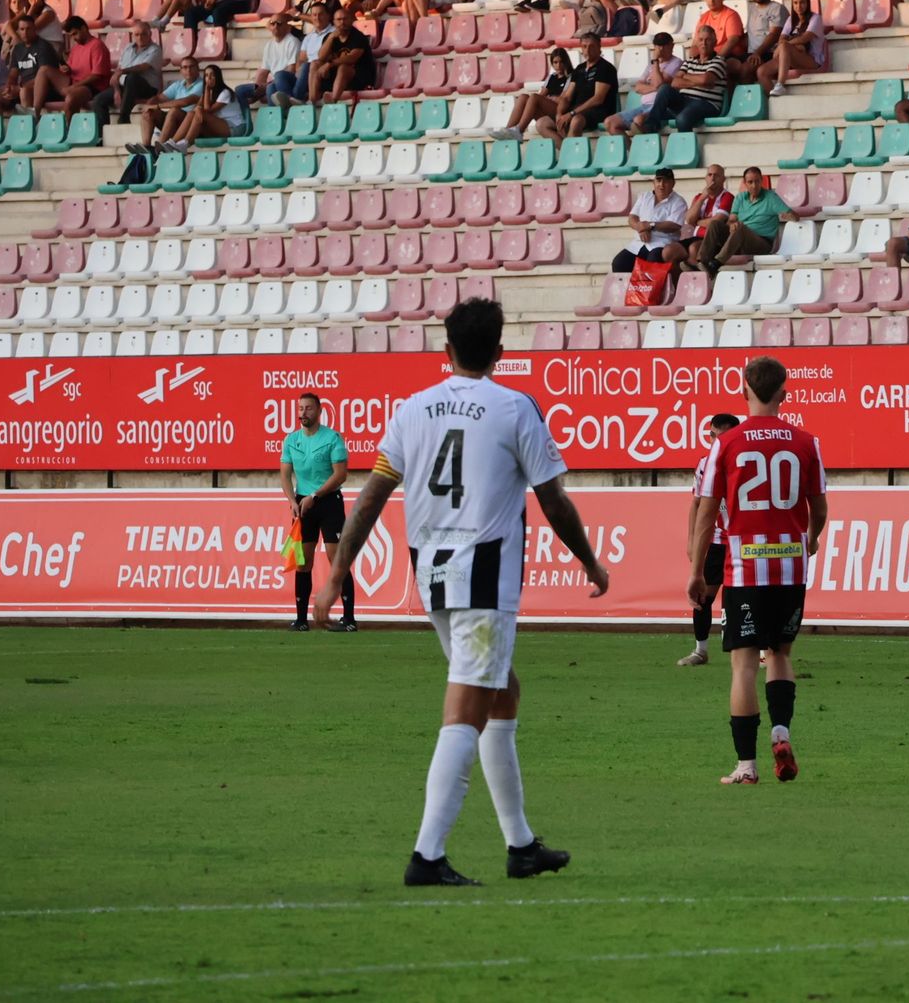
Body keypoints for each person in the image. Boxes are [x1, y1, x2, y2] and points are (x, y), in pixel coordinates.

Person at [317, 298, 609, 886]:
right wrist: (590, 561)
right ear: (501, 352)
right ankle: (427, 855)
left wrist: (335, 574)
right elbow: (553, 500)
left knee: (503, 693)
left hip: (431, 572)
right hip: (483, 572)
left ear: (446, 352)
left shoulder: (411, 409)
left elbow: (371, 497)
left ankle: (521, 845)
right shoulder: (514, 407)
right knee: (468, 709)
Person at [690, 356, 826, 786]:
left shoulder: (726, 444)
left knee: (744, 665)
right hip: (790, 568)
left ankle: (746, 767)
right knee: (781, 655)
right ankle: (781, 733)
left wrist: (696, 570)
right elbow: (819, 507)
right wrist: (810, 538)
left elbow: (707, 512)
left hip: (745, 570)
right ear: (784, 393)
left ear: (744, 391)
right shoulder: (806, 442)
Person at [280, 392, 356, 633]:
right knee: (303, 562)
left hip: (328, 502)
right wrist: (293, 500)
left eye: (308, 408)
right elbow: (284, 475)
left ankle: (349, 619)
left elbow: (340, 475)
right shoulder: (291, 440)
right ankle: (301, 619)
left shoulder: (332, 438)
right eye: (300, 408)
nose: (303, 413)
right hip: (303, 504)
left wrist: (316, 496)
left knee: (337, 561)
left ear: (319, 411)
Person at [677, 411, 740, 667]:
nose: (715, 442)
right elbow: (696, 504)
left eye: (721, 437)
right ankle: (700, 651)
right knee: (703, 596)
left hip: (742, 541)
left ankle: (760, 650)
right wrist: (692, 540)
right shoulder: (705, 463)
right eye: (712, 436)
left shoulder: (744, 462)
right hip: (715, 540)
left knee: (749, 599)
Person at [631, 25, 728, 133]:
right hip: (686, 101)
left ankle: (686, 148)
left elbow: (705, 79)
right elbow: (675, 82)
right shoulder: (689, 61)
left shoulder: (719, 61)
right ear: (696, 42)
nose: (704, 43)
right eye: (700, 40)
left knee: (682, 119)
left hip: (707, 103)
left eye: (708, 40)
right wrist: (698, 82)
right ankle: (651, 126)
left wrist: (685, 76)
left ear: (715, 42)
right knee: (664, 89)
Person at [695, 166, 790, 274]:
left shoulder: (771, 197)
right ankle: (702, 262)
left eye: (757, 181)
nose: (754, 186)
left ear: (761, 181)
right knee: (715, 224)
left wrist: (790, 215)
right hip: (740, 239)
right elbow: (731, 220)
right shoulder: (740, 198)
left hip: (762, 243)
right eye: (750, 182)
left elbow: (792, 214)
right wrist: (732, 224)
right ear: (745, 183)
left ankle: (716, 263)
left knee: (740, 227)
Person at [536, 34, 617, 142]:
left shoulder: (606, 68)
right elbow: (567, 97)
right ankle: (565, 151)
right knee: (541, 124)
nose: (587, 50)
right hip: (577, 110)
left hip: (599, 111)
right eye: (584, 46)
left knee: (576, 120)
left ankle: (569, 156)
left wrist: (572, 113)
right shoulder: (579, 69)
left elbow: (598, 99)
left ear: (599, 47)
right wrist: (559, 114)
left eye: (591, 46)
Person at [613, 167, 688, 272]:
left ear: (673, 183)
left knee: (651, 264)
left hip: (661, 244)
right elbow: (632, 218)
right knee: (619, 263)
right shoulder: (644, 196)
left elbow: (674, 225)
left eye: (666, 181)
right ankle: (628, 289)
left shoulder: (679, 201)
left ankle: (650, 289)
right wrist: (641, 228)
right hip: (638, 243)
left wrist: (651, 225)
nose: (661, 184)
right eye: (659, 180)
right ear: (654, 182)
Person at [605, 32, 680, 133]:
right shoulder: (651, 65)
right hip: (643, 106)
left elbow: (659, 83)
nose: (661, 48)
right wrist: (654, 87)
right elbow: (638, 87)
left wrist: (655, 61)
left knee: (638, 120)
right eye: (658, 45)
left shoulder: (676, 63)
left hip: (661, 107)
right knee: (610, 122)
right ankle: (631, 148)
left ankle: (644, 145)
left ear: (672, 45)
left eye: (664, 45)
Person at [493, 46, 572, 141]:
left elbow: (563, 99)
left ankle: (519, 131)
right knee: (523, 97)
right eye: (555, 62)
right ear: (552, 63)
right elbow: (542, 95)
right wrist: (550, 98)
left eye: (561, 62)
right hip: (549, 108)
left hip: (560, 111)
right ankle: (508, 130)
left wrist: (550, 98)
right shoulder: (552, 77)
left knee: (534, 97)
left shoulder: (570, 77)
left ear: (566, 62)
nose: (558, 65)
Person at [158, 63, 243, 151]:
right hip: (219, 125)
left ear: (218, 77)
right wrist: (199, 107)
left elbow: (207, 111)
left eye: (212, 75)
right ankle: (172, 143)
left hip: (234, 127)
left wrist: (206, 90)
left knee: (201, 114)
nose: (209, 78)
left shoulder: (225, 92)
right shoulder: (208, 94)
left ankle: (184, 144)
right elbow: (196, 108)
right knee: (192, 113)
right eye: (206, 75)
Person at [128, 56, 203, 155]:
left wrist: (157, 106)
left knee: (174, 110)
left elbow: (185, 102)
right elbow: (159, 98)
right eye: (184, 67)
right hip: (174, 122)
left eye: (191, 67)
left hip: (190, 124)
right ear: (180, 70)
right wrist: (149, 105)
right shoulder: (178, 85)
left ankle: (159, 147)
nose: (188, 70)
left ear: (197, 68)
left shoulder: (202, 84)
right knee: (149, 114)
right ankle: (147, 147)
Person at [665, 162, 732, 268]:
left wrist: (698, 221)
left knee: (693, 249)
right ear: (705, 178)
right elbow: (689, 219)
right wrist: (702, 198)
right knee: (669, 251)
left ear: (723, 179)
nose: (712, 178)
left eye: (716, 175)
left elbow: (716, 221)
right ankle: (678, 280)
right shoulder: (699, 197)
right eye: (710, 175)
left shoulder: (727, 197)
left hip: (713, 240)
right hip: (695, 237)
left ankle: (698, 278)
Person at [758, 0, 823, 97]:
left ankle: (780, 84)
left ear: (807, 3)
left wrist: (784, 46)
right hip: (791, 56)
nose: (798, 6)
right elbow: (781, 39)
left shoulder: (815, 18)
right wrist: (784, 45)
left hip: (812, 60)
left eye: (802, 2)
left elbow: (805, 37)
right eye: (795, 3)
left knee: (784, 47)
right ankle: (777, 102)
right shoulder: (791, 20)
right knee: (761, 72)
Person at [97, 23, 163, 125]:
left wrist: (123, 71)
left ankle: (123, 118)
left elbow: (142, 67)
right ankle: (102, 135)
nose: (140, 37)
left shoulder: (155, 49)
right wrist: (117, 91)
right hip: (126, 86)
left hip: (147, 88)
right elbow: (117, 73)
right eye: (137, 34)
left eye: (143, 34)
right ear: (133, 35)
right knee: (99, 99)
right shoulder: (128, 48)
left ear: (150, 35)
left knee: (132, 78)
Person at [308, 6, 374, 104]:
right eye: (339, 20)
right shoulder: (330, 36)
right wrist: (330, 38)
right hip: (337, 78)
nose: (342, 22)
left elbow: (351, 58)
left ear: (351, 20)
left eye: (345, 19)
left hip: (360, 77)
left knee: (343, 68)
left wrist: (329, 64)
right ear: (333, 22)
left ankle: (333, 101)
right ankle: (312, 101)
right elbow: (321, 57)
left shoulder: (358, 37)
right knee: (315, 64)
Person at [274, 3, 334, 109]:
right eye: (314, 15)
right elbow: (301, 59)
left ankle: (296, 101)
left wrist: (304, 69)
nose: (317, 18)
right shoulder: (309, 37)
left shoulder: (334, 33)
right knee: (278, 77)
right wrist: (299, 72)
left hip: (322, 74)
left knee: (308, 66)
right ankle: (289, 106)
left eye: (321, 14)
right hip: (305, 75)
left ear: (328, 16)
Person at [0, 15, 62, 116]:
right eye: (22, 29)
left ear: (35, 29)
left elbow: (43, 78)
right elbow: (12, 75)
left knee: (24, 91)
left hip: (44, 90)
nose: (25, 33)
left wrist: (19, 88)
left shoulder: (43, 47)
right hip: (22, 88)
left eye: (28, 29)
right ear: (18, 31)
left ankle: (30, 126)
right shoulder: (18, 48)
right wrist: (9, 86)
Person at [237, 15, 300, 108]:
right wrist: (257, 90)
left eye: (279, 24)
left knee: (274, 82)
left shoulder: (293, 42)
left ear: (287, 27)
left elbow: (292, 70)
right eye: (273, 23)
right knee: (240, 90)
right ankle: (247, 120)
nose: (275, 26)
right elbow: (263, 71)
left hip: (287, 82)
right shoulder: (269, 45)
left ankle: (286, 110)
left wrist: (267, 85)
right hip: (273, 82)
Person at [58, 17, 111, 123]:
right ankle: (33, 115)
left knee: (71, 98)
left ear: (84, 28)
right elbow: (71, 70)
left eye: (75, 34)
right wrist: (66, 69)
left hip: (93, 88)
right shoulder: (75, 48)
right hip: (74, 84)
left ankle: (70, 133)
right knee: (44, 71)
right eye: (71, 35)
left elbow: (97, 76)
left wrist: (74, 87)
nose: (74, 38)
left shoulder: (97, 45)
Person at [737, 0, 787, 86]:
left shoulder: (777, 8)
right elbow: (751, 34)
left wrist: (757, 53)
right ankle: (730, 102)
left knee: (745, 69)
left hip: (769, 53)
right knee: (727, 66)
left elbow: (774, 35)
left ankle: (749, 101)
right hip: (751, 53)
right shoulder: (752, 9)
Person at [695, 0, 746, 66]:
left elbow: (732, 41)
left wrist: (716, 60)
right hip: (709, 57)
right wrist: (694, 59)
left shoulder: (731, 15)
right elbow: (695, 42)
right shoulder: (703, 17)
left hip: (728, 56)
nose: (711, 0)